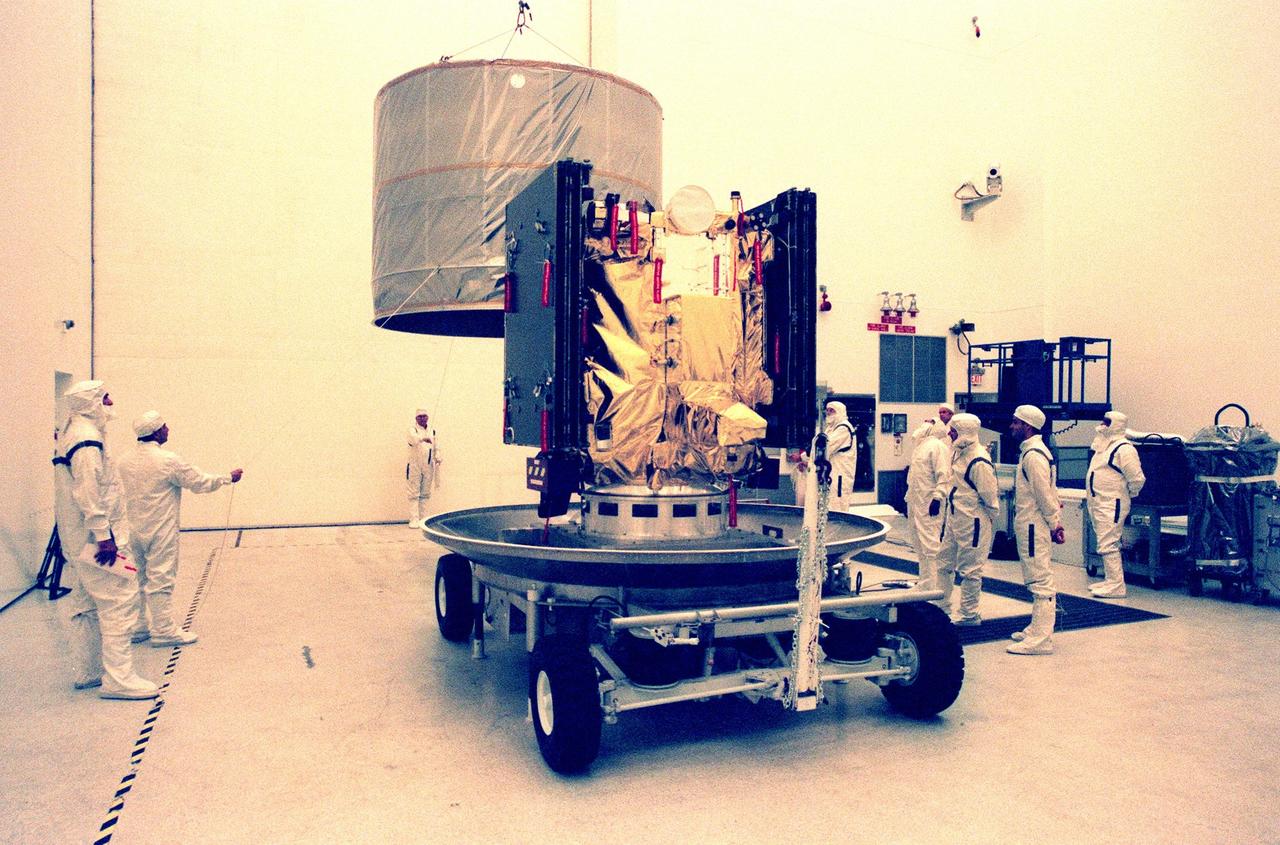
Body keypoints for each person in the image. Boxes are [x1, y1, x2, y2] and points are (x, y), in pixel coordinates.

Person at [53, 380, 158, 700]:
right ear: (91, 402)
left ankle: (90, 671)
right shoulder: (86, 439)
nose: (110, 402)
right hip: (98, 540)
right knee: (119, 602)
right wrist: (104, 536)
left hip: (78, 537)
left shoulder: (71, 434)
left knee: (86, 603)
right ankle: (119, 678)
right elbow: (89, 490)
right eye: (105, 397)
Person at [117, 411, 242, 646]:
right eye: (164, 426)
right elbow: (198, 482)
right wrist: (228, 478)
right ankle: (163, 630)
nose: (168, 429)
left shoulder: (124, 460)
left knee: (137, 577)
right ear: (155, 431)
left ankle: (138, 626)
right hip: (160, 529)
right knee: (161, 577)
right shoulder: (167, 460)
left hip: (132, 529)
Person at [1007, 404, 1065, 655]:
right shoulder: (1032, 453)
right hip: (1031, 524)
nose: (1012, 427)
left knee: (1040, 580)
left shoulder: (1033, 456)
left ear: (1027, 426)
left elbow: (1044, 495)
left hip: (1033, 526)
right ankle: (1036, 628)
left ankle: (1042, 639)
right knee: (1035, 577)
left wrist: (1055, 523)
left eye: (1016, 423)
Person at [930, 413, 998, 625]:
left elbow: (990, 497)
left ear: (965, 432)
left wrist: (985, 522)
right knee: (943, 563)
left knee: (970, 570)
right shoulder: (958, 453)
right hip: (955, 518)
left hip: (973, 521)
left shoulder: (979, 460)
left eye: (953, 430)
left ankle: (969, 614)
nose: (949, 433)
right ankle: (941, 606)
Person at [1086, 411, 1146, 598]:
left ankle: (1116, 585)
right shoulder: (1103, 445)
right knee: (1105, 541)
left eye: (1107, 422)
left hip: (1112, 503)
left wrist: (1129, 494)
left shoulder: (1124, 449)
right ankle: (1111, 580)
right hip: (1100, 501)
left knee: (1108, 543)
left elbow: (1136, 479)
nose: (1102, 424)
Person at [905, 418, 951, 593]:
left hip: (929, 503)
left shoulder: (938, 446)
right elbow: (915, 477)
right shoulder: (920, 447)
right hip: (916, 502)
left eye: (928, 421)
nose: (923, 423)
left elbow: (944, 475)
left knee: (930, 544)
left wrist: (938, 498)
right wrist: (908, 498)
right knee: (918, 542)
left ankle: (933, 585)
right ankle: (925, 582)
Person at [407, 407, 443, 528]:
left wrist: (438, 456)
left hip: (428, 466)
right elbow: (413, 440)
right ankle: (414, 519)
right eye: (420, 416)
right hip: (414, 465)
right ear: (416, 418)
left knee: (425, 493)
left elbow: (436, 446)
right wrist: (423, 438)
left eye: (424, 416)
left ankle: (423, 519)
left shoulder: (432, 431)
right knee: (413, 493)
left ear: (427, 417)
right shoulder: (413, 430)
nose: (422, 419)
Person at [823, 401, 857, 513]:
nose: (828, 413)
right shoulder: (831, 428)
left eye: (832, 410)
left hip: (840, 476)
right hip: (832, 474)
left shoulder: (844, 428)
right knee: (830, 505)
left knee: (838, 507)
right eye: (827, 410)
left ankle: (839, 530)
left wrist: (804, 457)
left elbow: (825, 446)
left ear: (840, 412)